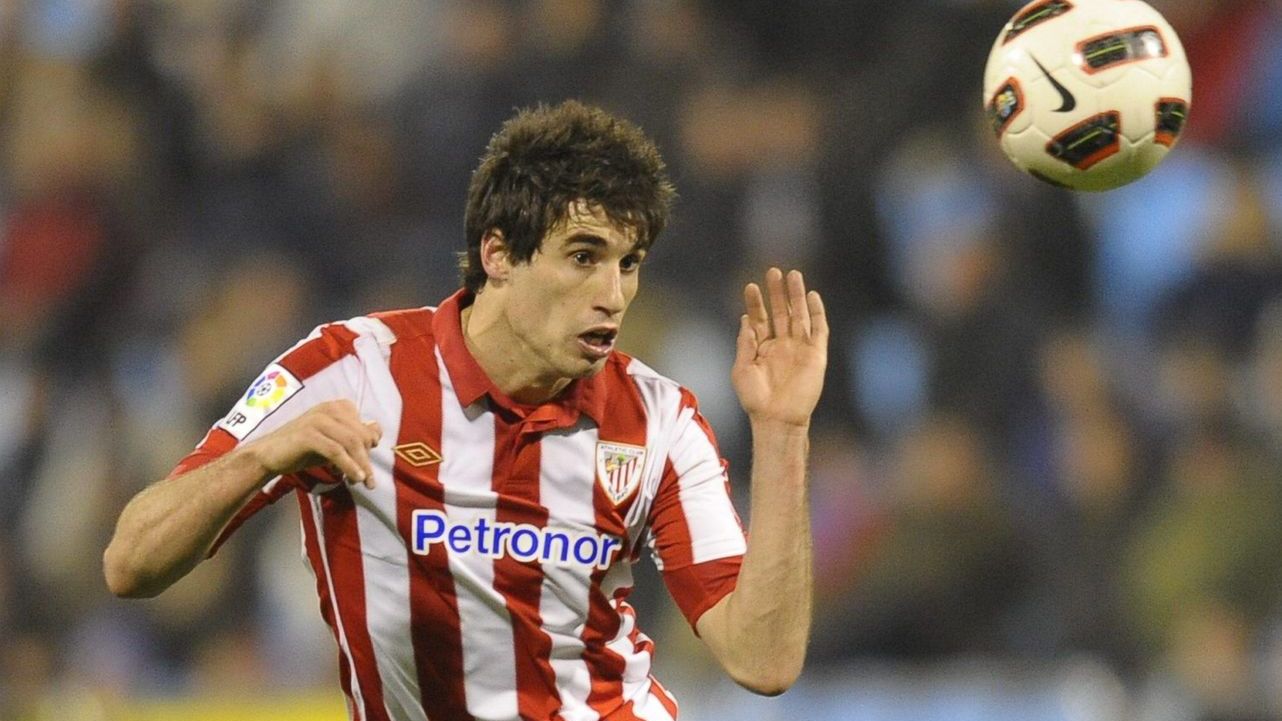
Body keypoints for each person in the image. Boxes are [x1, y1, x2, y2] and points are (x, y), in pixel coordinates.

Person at [103, 100, 828, 721]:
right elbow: (131, 562)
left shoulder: (658, 419)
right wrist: (265, 454)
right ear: (498, 254)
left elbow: (763, 660)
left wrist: (784, 429)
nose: (613, 295)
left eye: (628, 262)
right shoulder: (351, 372)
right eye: (584, 256)